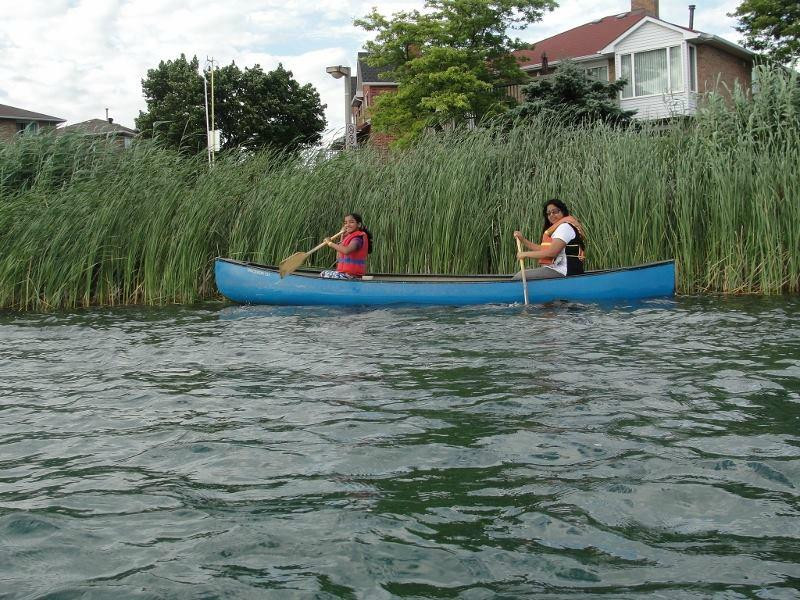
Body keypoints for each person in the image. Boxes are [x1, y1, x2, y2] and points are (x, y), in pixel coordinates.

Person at [513, 199, 586, 280]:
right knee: (524, 273)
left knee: (519, 276)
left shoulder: (565, 227)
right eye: (548, 213)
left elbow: (552, 253)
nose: (551, 215)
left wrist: (525, 254)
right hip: (558, 270)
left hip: (564, 272)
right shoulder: (558, 229)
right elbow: (542, 249)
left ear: (563, 212)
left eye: (555, 212)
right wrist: (522, 240)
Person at [320, 213, 374, 279]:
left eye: (351, 222)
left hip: (352, 275)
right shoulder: (348, 238)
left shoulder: (358, 239)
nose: (347, 225)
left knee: (323, 273)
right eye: (345, 223)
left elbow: (346, 251)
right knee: (324, 273)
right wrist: (342, 236)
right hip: (346, 274)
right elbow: (338, 258)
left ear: (359, 225)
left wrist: (330, 243)